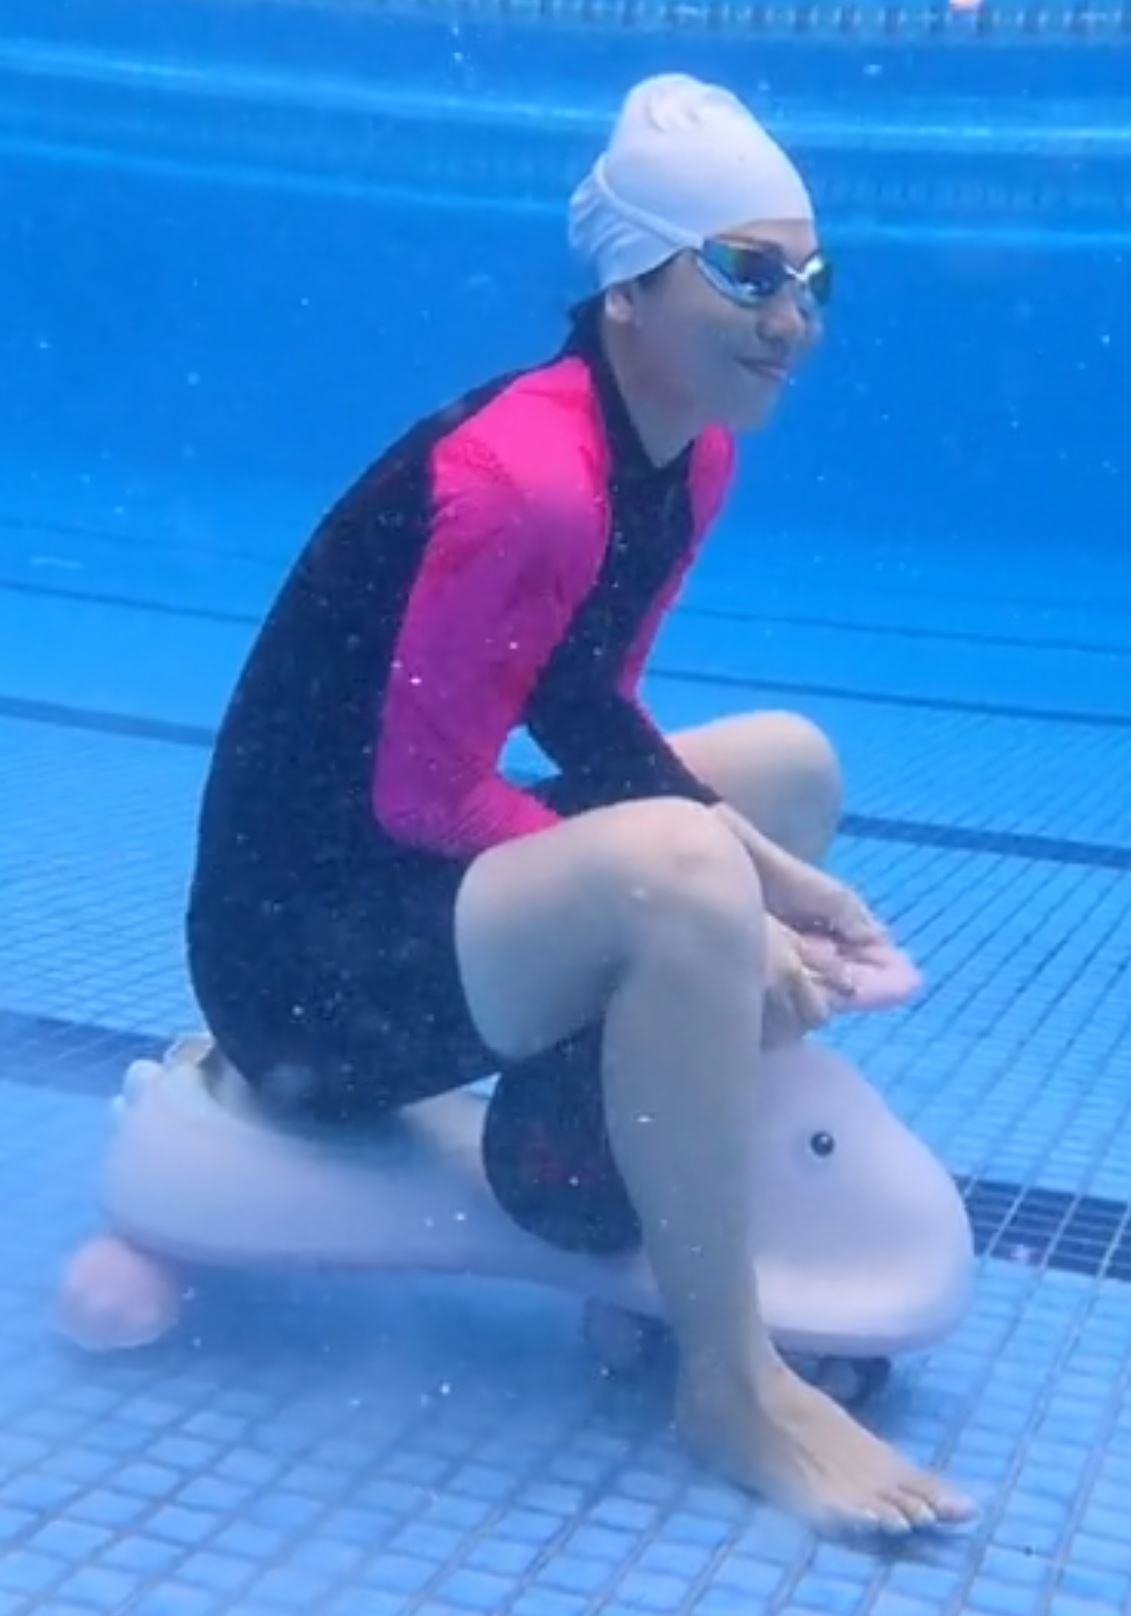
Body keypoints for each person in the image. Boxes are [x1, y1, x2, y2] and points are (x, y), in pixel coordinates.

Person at [186, 73, 974, 1535]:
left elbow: (582, 702)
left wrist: (772, 871)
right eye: (745, 273)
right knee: (683, 868)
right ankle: (729, 1384)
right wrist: (720, 899)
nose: (792, 319)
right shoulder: (525, 473)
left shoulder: (691, 455)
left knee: (785, 768)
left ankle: (578, 1146)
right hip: (298, 966)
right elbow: (425, 794)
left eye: (810, 281)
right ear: (629, 286)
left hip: (406, 890)